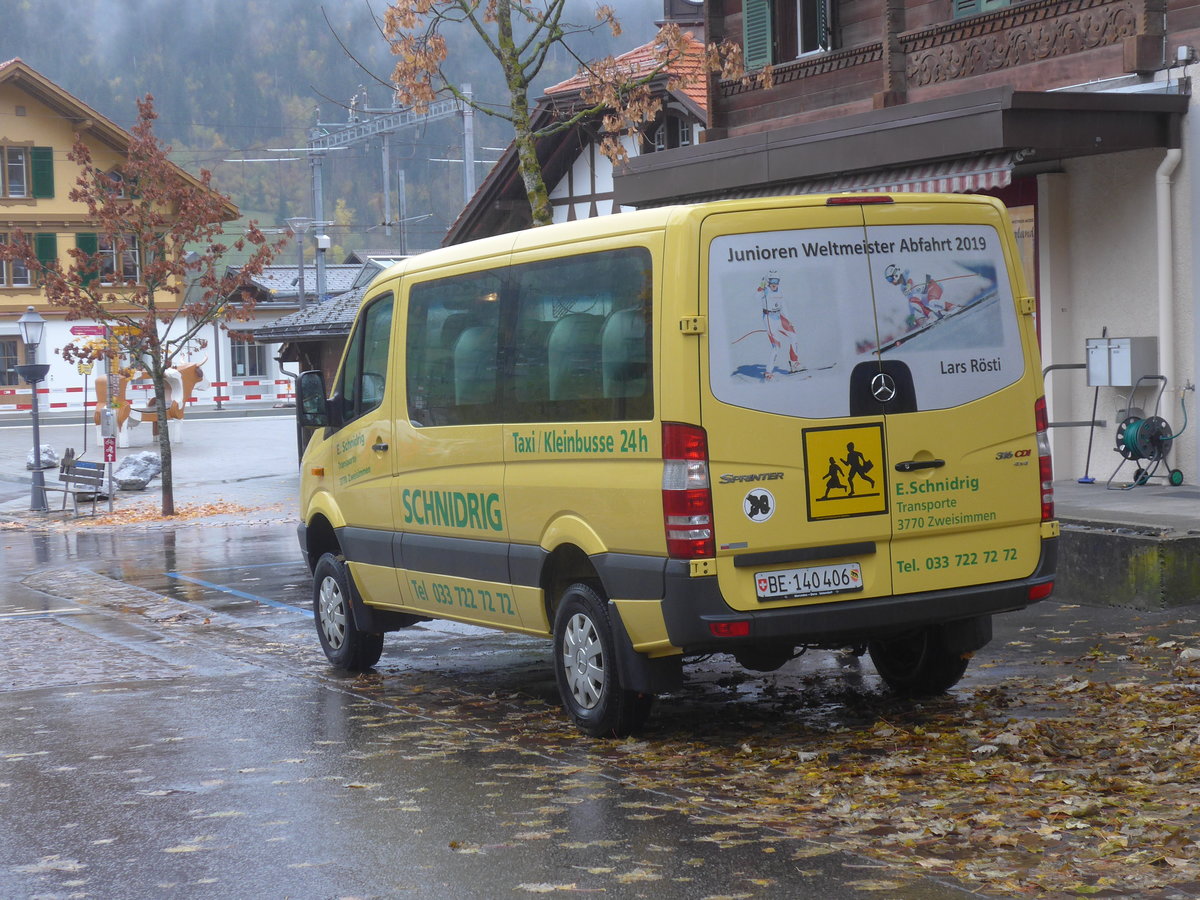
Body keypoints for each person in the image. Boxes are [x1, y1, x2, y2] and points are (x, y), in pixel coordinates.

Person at [757, 270, 803, 379]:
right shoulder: (765, 291)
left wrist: (788, 320)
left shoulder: (780, 291)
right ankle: (768, 372)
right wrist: (761, 287)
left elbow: (783, 305)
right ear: (768, 281)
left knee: (794, 337)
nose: (774, 284)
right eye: (772, 281)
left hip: (779, 317)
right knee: (776, 347)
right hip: (769, 318)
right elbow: (755, 297)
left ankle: (794, 363)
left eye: (776, 281)